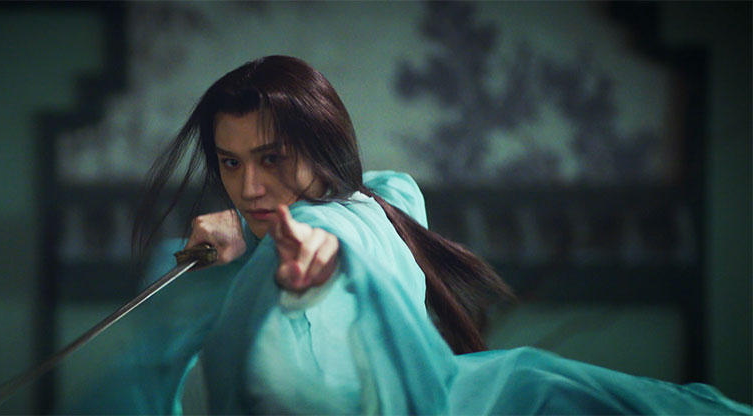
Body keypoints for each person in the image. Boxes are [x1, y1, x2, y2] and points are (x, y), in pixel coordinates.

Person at [92, 55, 750, 415]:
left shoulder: (355, 214)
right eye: (231, 164)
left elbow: (336, 241)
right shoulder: (241, 242)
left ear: (322, 146)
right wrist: (227, 254)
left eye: (273, 158)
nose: (251, 185)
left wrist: (312, 271)